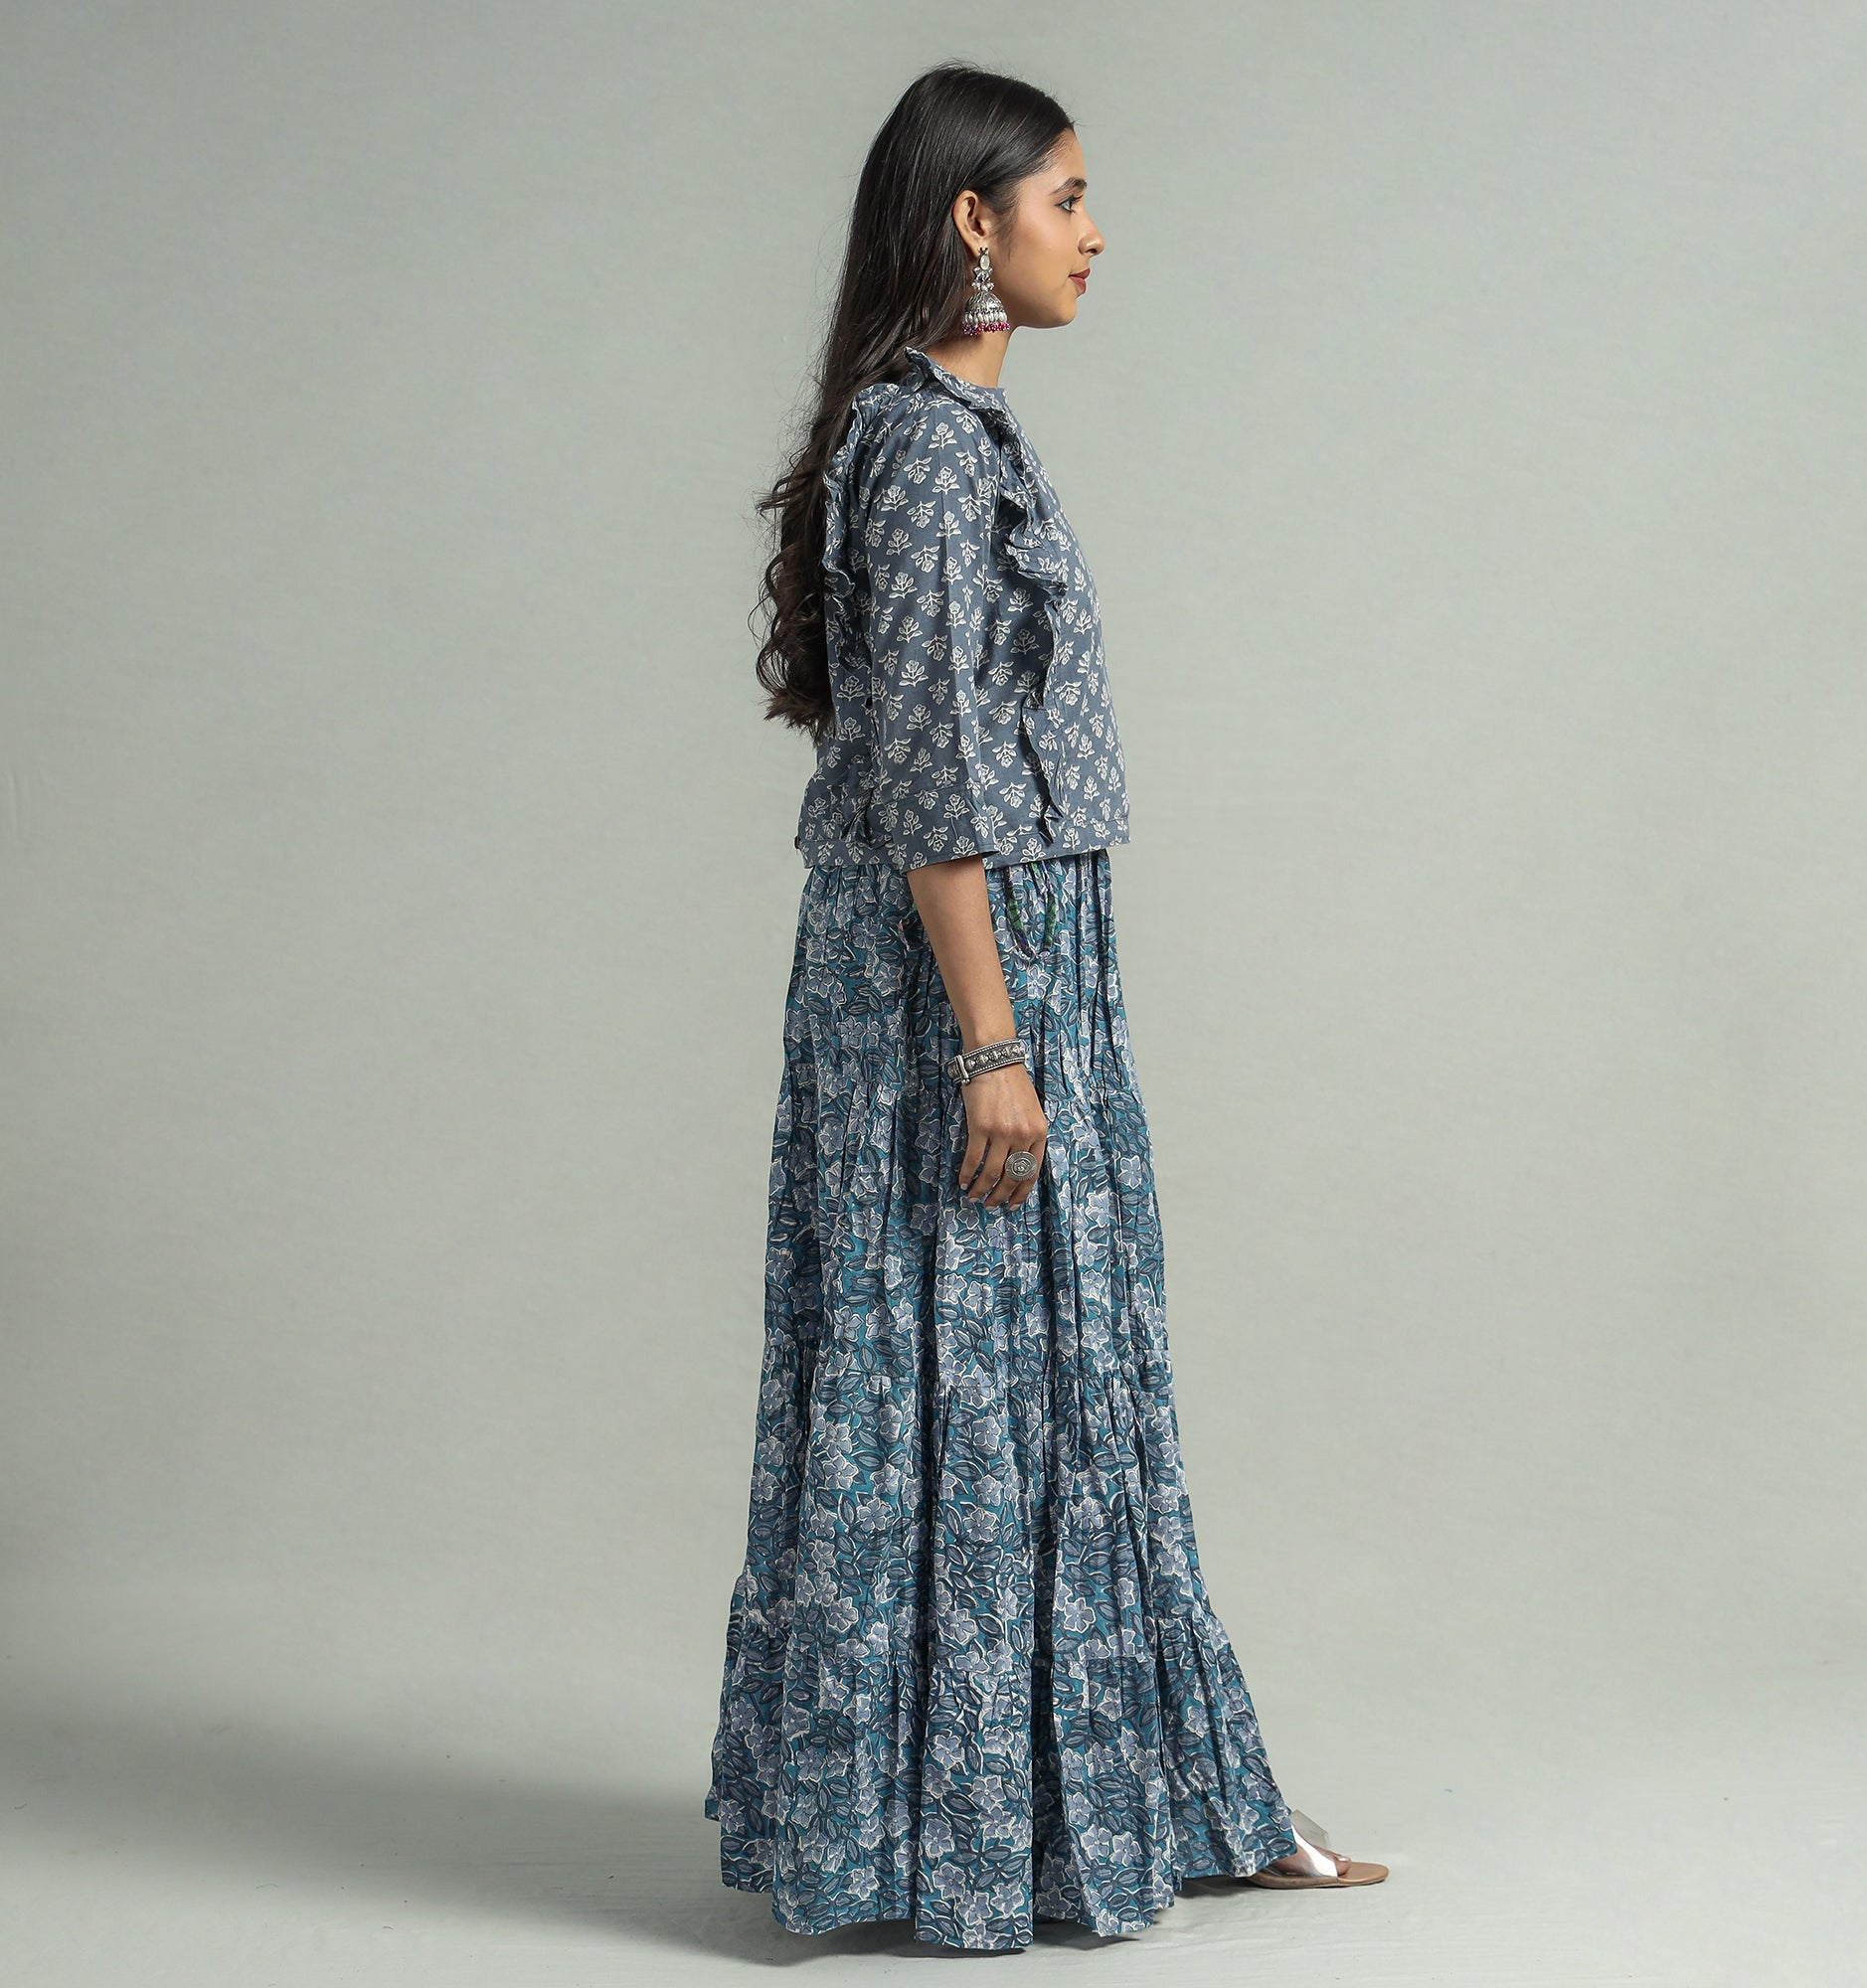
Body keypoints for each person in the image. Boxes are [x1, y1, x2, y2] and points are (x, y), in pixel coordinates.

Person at [703, 61, 1388, 1952]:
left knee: (1051, 1378)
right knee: (975, 1377)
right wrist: (994, 1047)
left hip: (1011, 960)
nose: (1095, 234)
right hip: (964, 979)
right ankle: (972, 1837)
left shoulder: (950, 435)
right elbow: (932, 775)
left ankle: (1123, 1804)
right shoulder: (924, 451)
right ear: (970, 221)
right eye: (1066, 198)